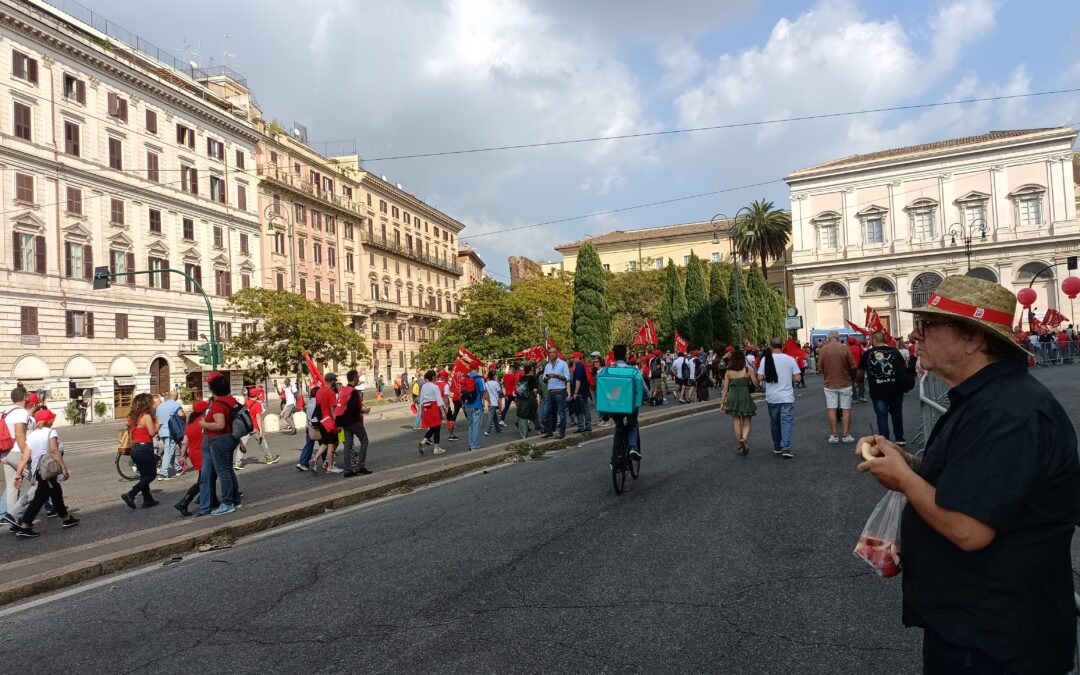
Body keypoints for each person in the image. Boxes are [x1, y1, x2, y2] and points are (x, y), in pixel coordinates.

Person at [856, 276, 1080, 674]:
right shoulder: (991, 400)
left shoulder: (1005, 414)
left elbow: (969, 530)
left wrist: (905, 481)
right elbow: (969, 477)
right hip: (981, 625)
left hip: (996, 640)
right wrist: (909, 463)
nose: (914, 334)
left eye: (928, 325)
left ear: (972, 339)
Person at [11, 409, 77, 537]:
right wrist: (63, 468)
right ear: (49, 420)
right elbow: (54, 450)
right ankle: (24, 526)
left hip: (39, 470)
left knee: (56, 492)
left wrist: (18, 474)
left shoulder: (32, 435)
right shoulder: (51, 431)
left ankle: (66, 518)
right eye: (52, 418)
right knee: (39, 498)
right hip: (47, 470)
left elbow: (25, 457)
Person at [856, 331, 909, 445]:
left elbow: (860, 372)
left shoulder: (868, 353)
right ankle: (899, 438)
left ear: (874, 340)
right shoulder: (894, 351)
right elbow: (903, 368)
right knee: (897, 414)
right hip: (895, 389)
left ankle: (884, 441)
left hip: (878, 391)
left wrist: (857, 382)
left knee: (881, 416)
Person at [199, 373, 240, 516]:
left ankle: (228, 503)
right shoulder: (231, 400)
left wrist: (203, 423)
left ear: (212, 388)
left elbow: (219, 425)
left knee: (223, 473)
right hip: (230, 438)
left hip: (219, 440)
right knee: (229, 471)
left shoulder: (218, 404)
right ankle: (235, 500)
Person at [600, 345, 649, 464]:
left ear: (614, 356)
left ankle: (616, 457)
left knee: (619, 427)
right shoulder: (633, 370)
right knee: (632, 425)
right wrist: (647, 396)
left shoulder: (606, 370)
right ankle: (632, 447)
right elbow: (643, 387)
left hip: (614, 404)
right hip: (630, 405)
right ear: (625, 355)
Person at [758, 338, 802, 459]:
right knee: (786, 422)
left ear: (771, 347)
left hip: (772, 396)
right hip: (787, 396)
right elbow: (798, 378)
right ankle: (786, 447)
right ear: (782, 346)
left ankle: (777, 446)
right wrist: (788, 377)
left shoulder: (766, 359)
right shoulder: (790, 359)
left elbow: (760, 377)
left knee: (775, 422)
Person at [174, 401, 218, 517]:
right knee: (203, 480)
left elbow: (185, 442)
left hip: (194, 454)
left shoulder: (191, 423)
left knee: (210, 477)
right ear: (204, 410)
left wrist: (182, 456)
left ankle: (213, 500)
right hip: (204, 453)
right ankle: (184, 502)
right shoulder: (204, 422)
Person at [1, 386, 33, 527]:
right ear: (24, 397)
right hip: (16, 452)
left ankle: (13, 521)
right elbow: (20, 434)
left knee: (13, 487)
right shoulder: (21, 412)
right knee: (40, 482)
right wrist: (27, 453)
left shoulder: (5, 411)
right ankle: (15, 515)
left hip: (5, 452)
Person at [816, 330, 857, 444]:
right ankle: (845, 435)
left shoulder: (824, 349)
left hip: (829, 383)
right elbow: (853, 365)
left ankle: (834, 435)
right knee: (846, 409)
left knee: (831, 409)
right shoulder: (845, 348)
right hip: (845, 383)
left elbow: (820, 368)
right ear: (838, 339)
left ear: (828, 339)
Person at [121, 393, 159, 509]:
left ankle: (147, 499)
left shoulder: (132, 416)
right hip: (144, 448)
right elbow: (152, 433)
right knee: (151, 474)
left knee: (144, 475)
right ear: (146, 403)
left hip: (135, 448)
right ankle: (131, 493)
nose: (153, 404)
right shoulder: (146, 416)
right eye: (151, 401)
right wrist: (159, 426)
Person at [719, 349, 758, 456]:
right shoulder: (747, 369)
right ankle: (744, 439)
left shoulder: (728, 372)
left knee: (736, 421)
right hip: (744, 396)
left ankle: (741, 444)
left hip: (732, 397)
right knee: (747, 420)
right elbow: (755, 384)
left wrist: (722, 403)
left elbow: (725, 389)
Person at [336, 370, 372, 476]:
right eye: (357, 378)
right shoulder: (353, 392)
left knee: (347, 445)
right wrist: (365, 411)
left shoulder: (343, 390)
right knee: (364, 440)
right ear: (354, 378)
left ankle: (347, 470)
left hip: (343, 422)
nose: (358, 380)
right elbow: (355, 408)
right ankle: (361, 466)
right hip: (353, 421)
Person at [235, 389, 280, 470]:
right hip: (254, 427)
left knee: (242, 445)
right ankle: (269, 458)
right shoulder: (257, 404)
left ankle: (237, 463)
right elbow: (258, 417)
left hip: (246, 427)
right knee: (262, 442)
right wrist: (261, 430)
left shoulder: (246, 403)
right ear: (257, 395)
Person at [309, 373, 342, 475]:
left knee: (325, 443)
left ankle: (315, 458)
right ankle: (330, 467)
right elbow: (333, 410)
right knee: (331, 445)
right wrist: (337, 424)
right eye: (335, 380)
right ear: (332, 381)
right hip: (329, 421)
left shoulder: (319, 391)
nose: (336, 382)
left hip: (321, 421)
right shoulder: (330, 392)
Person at [154, 390, 182, 480]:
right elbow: (181, 415)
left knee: (170, 450)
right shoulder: (176, 405)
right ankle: (163, 473)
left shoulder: (160, 407)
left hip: (162, 432)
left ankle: (178, 469)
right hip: (170, 432)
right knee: (168, 451)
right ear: (176, 397)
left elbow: (157, 421)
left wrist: (157, 432)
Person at [541, 350, 570, 438]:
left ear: (557, 353)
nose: (551, 354)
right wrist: (546, 378)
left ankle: (561, 433)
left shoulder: (563, 364)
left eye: (553, 352)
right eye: (550, 352)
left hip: (560, 391)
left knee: (561, 413)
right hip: (550, 392)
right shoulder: (548, 365)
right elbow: (544, 380)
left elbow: (567, 378)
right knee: (545, 413)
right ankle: (549, 431)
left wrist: (556, 376)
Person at [417, 370, 447, 455]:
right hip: (434, 407)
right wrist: (443, 412)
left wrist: (422, 411)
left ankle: (432, 445)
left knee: (434, 427)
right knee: (436, 427)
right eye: (435, 376)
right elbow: (439, 400)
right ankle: (434, 447)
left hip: (426, 408)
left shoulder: (423, 386)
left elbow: (421, 400)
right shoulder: (435, 387)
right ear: (433, 377)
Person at [462, 363, 486, 450]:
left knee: (471, 425)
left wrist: (463, 405)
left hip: (467, 404)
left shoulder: (465, 377)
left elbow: (462, 392)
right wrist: (489, 402)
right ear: (477, 368)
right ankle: (474, 446)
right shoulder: (480, 378)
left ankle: (471, 443)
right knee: (476, 426)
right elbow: (484, 392)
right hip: (477, 405)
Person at [513, 363, 541, 438]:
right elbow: (535, 390)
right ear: (530, 371)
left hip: (522, 399)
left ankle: (524, 434)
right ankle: (539, 430)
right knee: (534, 414)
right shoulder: (532, 378)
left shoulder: (522, 378)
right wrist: (536, 395)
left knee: (523, 416)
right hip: (531, 398)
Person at [295, 385, 319, 472]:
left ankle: (302, 462)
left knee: (309, 445)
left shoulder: (309, 403)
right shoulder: (317, 403)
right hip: (316, 426)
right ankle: (326, 461)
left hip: (308, 426)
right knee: (324, 444)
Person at [569, 352, 592, 433]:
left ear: (577, 358)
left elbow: (578, 381)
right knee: (584, 409)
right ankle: (586, 426)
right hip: (584, 391)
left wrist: (575, 392)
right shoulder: (582, 365)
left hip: (580, 392)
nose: (572, 359)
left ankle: (583, 427)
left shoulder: (579, 367)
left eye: (573, 357)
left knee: (581, 410)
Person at [484, 369, 503, 435]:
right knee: (491, 416)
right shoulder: (496, 383)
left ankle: (498, 428)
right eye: (496, 375)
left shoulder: (486, 383)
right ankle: (487, 430)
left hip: (489, 401)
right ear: (494, 376)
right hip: (494, 401)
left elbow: (485, 393)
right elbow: (500, 392)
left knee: (494, 415)